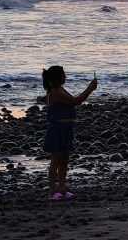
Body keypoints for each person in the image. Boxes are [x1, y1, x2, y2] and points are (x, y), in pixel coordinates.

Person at [41, 65, 98, 200]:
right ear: (56, 79)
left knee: (65, 160)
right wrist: (90, 89)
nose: (65, 77)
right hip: (57, 128)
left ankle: (62, 189)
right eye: (62, 75)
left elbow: (73, 101)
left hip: (66, 128)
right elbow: (76, 101)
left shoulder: (60, 89)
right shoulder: (54, 93)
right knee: (55, 160)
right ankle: (52, 191)